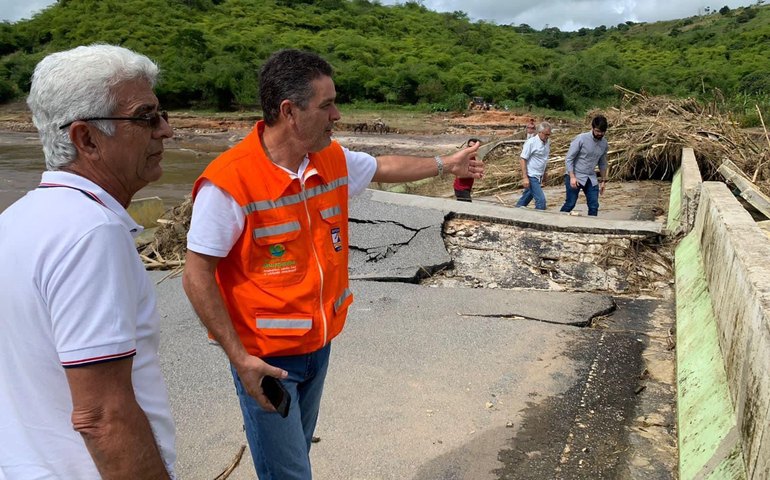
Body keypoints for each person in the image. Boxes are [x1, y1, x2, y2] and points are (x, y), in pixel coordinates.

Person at [182, 48, 483, 480]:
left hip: (318, 348)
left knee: (297, 454)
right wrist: (240, 358)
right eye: (327, 105)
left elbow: (384, 166)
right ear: (290, 111)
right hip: (266, 361)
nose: (337, 114)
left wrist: (445, 164)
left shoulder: (329, 158)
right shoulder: (230, 182)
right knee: (289, 474)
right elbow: (196, 277)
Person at [0, 45, 176, 478]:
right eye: (146, 117)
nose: (166, 130)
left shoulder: (18, 218)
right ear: (87, 139)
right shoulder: (92, 233)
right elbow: (103, 417)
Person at [559, 115, 609, 216]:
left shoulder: (604, 144)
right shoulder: (581, 139)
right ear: (592, 128)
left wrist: (603, 180)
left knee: (594, 205)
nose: (599, 134)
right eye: (597, 131)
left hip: (590, 177)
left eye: (602, 132)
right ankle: (558, 221)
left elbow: (602, 162)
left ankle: (591, 227)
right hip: (575, 174)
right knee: (570, 203)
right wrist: (572, 177)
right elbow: (569, 158)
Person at [516, 121, 552, 210]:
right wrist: (525, 177)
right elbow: (523, 159)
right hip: (532, 175)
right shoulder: (531, 143)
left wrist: (545, 174)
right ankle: (539, 220)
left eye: (549, 135)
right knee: (541, 201)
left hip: (539, 175)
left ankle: (514, 213)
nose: (547, 137)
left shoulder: (547, 142)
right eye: (546, 134)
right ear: (539, 132)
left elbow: (544, 159)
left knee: (526, 198)